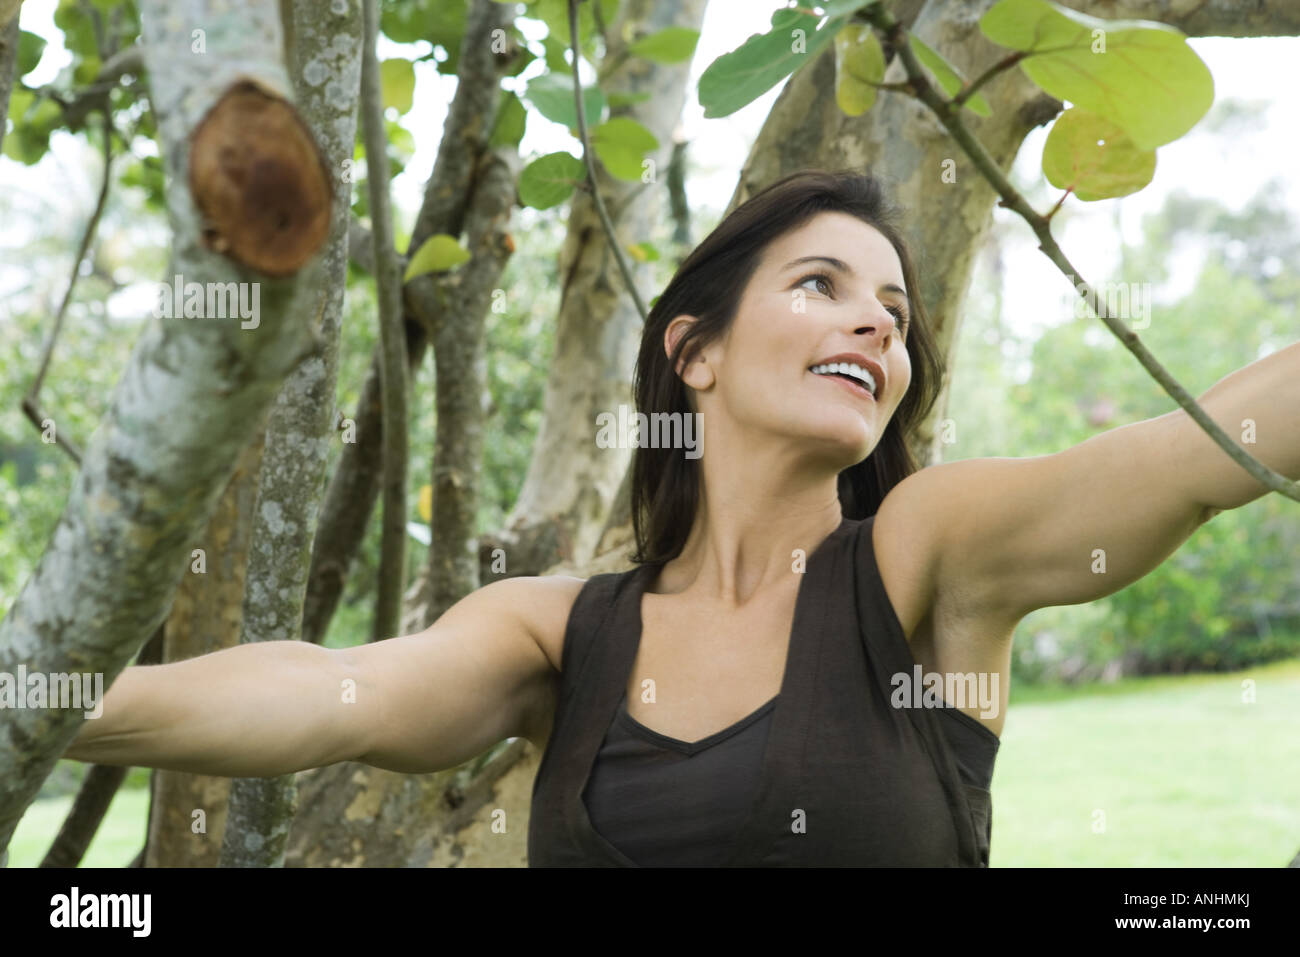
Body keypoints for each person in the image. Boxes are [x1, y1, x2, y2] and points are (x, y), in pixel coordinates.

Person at [65, 169, 1298, 866]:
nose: (878, 323)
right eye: (821, 286)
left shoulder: (927, 556)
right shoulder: (561, 636)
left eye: (893, 310)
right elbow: (331, 693)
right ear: (692, 353)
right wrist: (53, 700)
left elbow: (1192, 449)